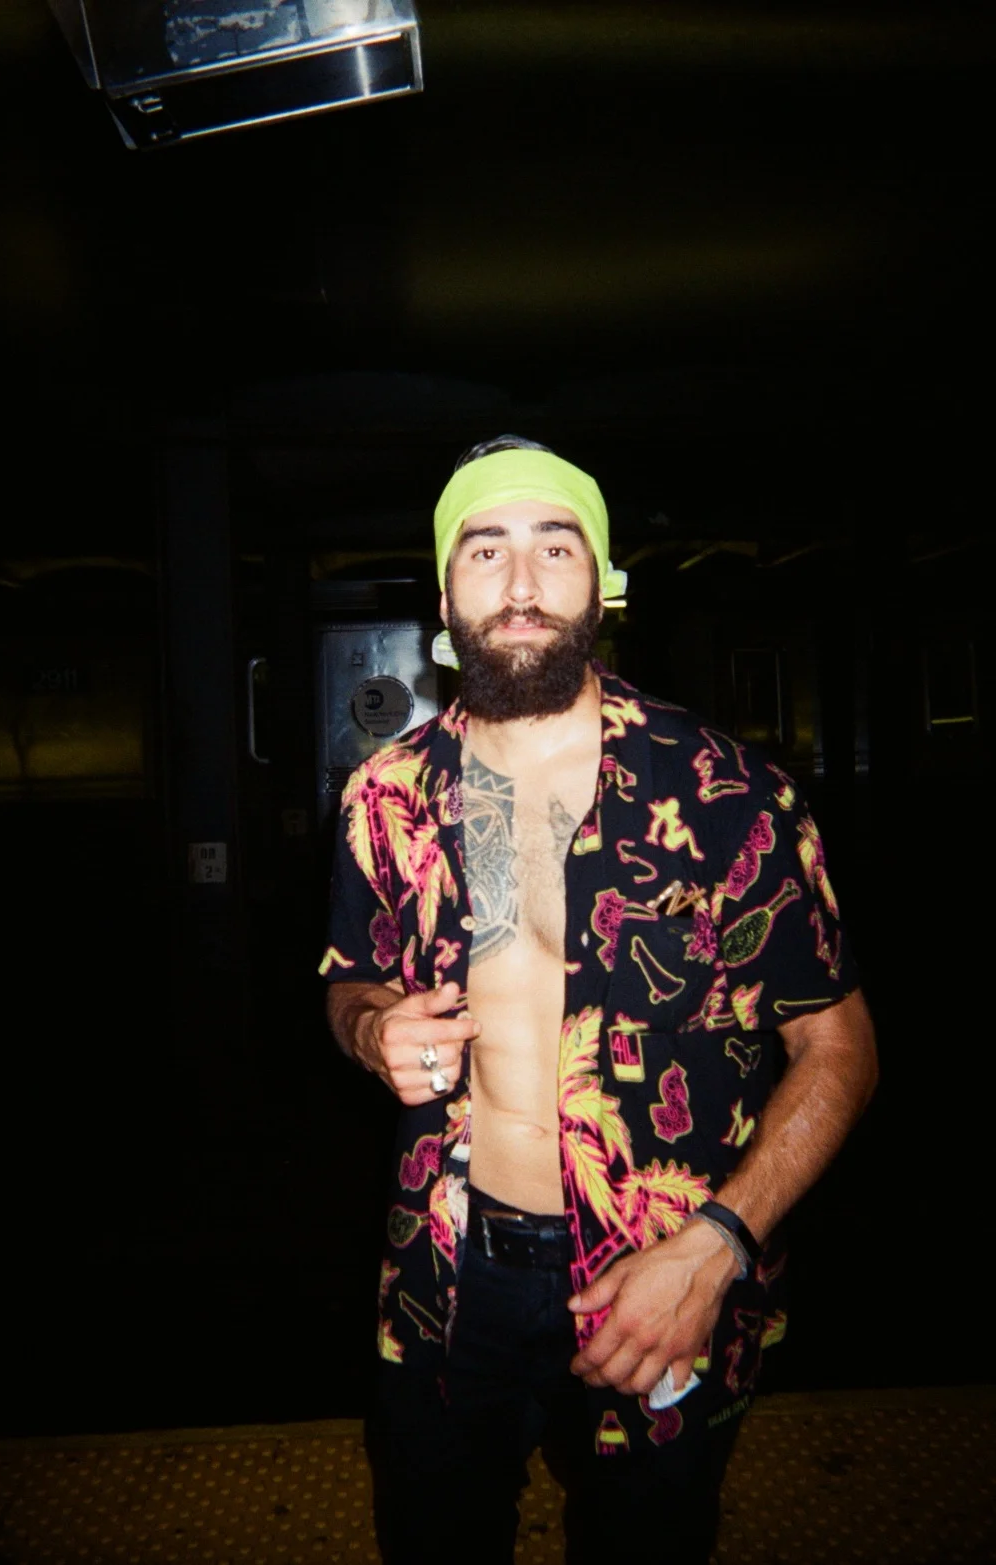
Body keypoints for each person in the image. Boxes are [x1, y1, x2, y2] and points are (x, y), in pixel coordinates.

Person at [321, 436, 878, 1564]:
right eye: (486, 549)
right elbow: (346, 980)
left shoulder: (724, 791)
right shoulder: (385, 793)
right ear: (444, 590)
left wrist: (716, 1244)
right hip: (447, 1264)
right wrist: (374, 1026)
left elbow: (839, 1049)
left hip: (662, 1266)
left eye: (553, 547)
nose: (519, 585)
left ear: (602, 581)